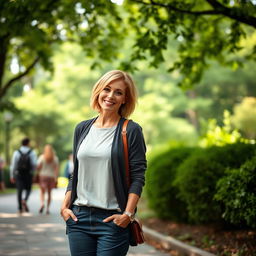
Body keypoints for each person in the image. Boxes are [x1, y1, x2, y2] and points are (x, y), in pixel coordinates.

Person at [60, 70, 147, 256]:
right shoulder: (82, 128)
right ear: (98, 91)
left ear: (125, 99)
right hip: (78, 219)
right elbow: (76, 173)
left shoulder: (131, 130)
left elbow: (138, 176)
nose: (110, 96)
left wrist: (128, 215)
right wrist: (64, 207)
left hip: (112, 220)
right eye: (106, 89)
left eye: (118, 92)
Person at [10, 137, 37, 214]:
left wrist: (12, 175)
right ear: (28, 143)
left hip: (19, 174)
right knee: (28, 189)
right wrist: (33, 173)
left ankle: (19, 208)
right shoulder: (32, 152)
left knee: (19, 190)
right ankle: (25, 200)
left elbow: (13, 165)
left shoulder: (16, 152)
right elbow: (34, 165)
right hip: (28, 174)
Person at [37, 144, 59, 214]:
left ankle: (42, 203)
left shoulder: (42, 157)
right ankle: (47, 209)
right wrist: (56, 178)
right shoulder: (55, 158)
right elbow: (56, 170)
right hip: (51, 177)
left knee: (42, 192)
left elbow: (38, 167)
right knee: (49, 193)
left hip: (43, 176)